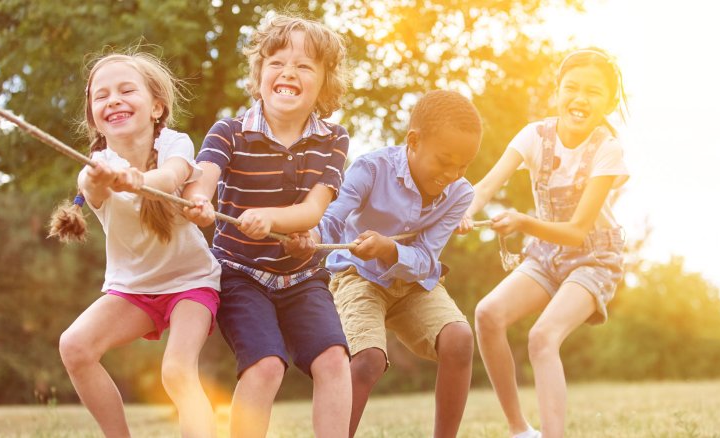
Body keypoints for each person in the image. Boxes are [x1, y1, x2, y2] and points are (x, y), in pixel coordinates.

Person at [181, 13, 352, 438]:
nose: (288, 71)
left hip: (303, 276)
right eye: (276, 61)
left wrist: (271, 218)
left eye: (304, 65)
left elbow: (314, 209)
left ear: (325, 83)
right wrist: (198, 200)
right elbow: (203, 177)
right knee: (265, 366)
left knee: (333, 360)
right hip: (240, 273)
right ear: (259, 75)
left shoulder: (334, 139)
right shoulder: (230, 132)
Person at [285, 90, 482, 438]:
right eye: (444, 160)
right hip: (356, 276)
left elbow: (424, 258)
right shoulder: (371, 168)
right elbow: (333, 217)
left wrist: (389, 249)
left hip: (414, 284)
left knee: (459, 338)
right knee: (368, 359)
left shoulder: (460, 194)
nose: (452, 173)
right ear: (414, 141)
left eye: (463, 165)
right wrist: (312, 239)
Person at [48, 50, 221, 437]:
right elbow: (90, 185)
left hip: (191, 283)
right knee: (74, 346)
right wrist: (106, 176)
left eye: (127, 90)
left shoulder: (176, 144)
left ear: (157, 107)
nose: (113, 100)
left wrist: (139, 180)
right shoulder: (94, 167)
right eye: (101, 96)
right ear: (94, 116)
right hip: (133, 291)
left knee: (177, 372)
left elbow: (172, 177)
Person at [458, 48, 629, 438]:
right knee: (487, 314)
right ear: (556, 92)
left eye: (593, 92)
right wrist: (463, 214)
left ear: (609, 102)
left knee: (542, 337)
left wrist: (521, 221)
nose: (580, 99)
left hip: (594, 257)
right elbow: (484, 186)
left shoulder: (608, 150)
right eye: (571, 88)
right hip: (547, 256)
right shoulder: (534, 136)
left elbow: (576, 231)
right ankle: (521, 430)